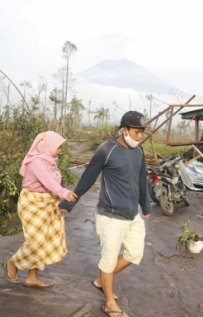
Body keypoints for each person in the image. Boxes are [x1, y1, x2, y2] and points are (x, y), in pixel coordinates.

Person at [59, 111, 152, 317]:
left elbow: (141, 180)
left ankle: (102, 279)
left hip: (132, 215)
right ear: (124, 130)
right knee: (108, 260)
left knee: (134, 254)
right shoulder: (106, 150)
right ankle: (109, 303)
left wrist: (145, 206)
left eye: (141, 133)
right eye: (136, 132)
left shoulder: (139, 151)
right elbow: (88, 178)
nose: (139, 137)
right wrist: (69, 202)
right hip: (110, 216)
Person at [4, 131, 78, 287]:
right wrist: (64, 193)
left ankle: (32, 277)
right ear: (47, 146)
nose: (61, 151)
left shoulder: (50, 161)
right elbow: (48, 181)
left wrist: (59, 203)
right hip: (32, 202)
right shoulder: (37, 162)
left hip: (47, 201)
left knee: (44, 240)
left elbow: (52, 185)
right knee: (36, 241)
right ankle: (12, 263)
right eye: (58, 147)